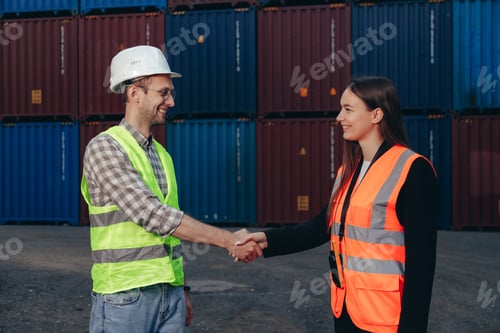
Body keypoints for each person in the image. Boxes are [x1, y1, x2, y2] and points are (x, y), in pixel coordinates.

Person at [81, 45, 261, 333]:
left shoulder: (162, 155)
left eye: (171, 93)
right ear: (134, 93)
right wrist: (227, 240)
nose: (171, 101)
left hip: (169, 296)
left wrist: (180, 288)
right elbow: (152, 215)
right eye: (163, 92)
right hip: (126, 296)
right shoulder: (105, 147)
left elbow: (171, 234)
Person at [236, 76, 439, 333]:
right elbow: (323, 226)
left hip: (386, 318)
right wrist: (268, 240)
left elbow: (422, 265)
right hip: (346, 311)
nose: (338, 117)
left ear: (376, 115)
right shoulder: (348, 171)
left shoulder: (412, 169)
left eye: (348, 109)